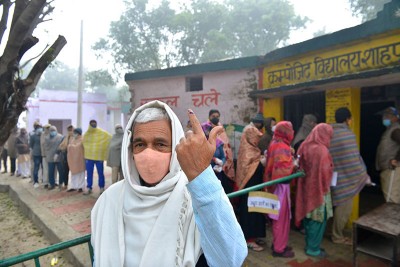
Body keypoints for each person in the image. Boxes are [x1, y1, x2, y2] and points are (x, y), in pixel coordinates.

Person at [90, 101, 247, 266]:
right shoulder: (110, 199)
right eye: (140, 144)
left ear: (175, 148)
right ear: (130, 150)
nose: (148, 153)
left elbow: (231, 259)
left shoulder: (198, 196)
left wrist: (201, 175)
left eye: (160, 144)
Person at [330, 107, 371, 245]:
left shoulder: (329, 133)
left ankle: (334, 232)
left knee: (335, 205)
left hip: (332, 175)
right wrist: (362, 174)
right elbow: (353, 158)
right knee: (344, 207)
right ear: (348, 119)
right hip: (346, 178)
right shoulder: (348, 135)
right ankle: (337, 236)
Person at [295, 123, 334, 258]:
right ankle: (313, 248)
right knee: (318, 218)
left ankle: (310, 244)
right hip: (319, 189)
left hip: (306, 188)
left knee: (309, 216)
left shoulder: (304, 145)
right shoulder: (322, 150)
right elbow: (325, 172)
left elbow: (298, 165)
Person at [264, 121, 296, 258]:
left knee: (277, 217)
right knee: (280, 218)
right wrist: (294, 164)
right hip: (280, 186)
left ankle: (278, 243)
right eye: (290, 130)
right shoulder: (281, 146)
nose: (292, 132)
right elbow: (282, 169)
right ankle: (279, 249)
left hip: (274, 185)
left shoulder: (275, 142)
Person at [235, 112, 266, 252]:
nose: (257, 140)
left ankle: (255, 235)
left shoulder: (252, 149)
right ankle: (249, 239)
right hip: (250, 189)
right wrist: (262, 162)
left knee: (256, 210)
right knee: (250, 212)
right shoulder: (248, 150)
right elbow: (252, 169)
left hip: (254, 188)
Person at [201, 109, 235, 194]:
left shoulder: (220, 135)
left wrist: (221, 163)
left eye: (217, 117)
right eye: (213, 116)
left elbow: (223, 154)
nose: (215, 118)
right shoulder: (202, 141)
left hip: (219, 171)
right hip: (205, 173)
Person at [376, 106, 400, 203]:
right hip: (388, 169)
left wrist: (397, 159)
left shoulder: (395, 130)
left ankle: (393, 218)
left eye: (387, 116)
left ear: (395, 117)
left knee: (392, 199)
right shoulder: (390, 129)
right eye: (384, 116)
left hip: (392, 169)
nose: (384, 118)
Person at [82, 119, 111, 195]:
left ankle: (101, 188)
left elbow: (109, 137)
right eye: (92, 123)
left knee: (100, 173)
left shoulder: (101, 132)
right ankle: (89, 187)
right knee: (89, 173)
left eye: (94, 123)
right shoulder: (86, 134)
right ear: (89, 124)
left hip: (99, 157)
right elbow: (83, 143)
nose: (93, 124)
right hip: (89, 157)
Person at [44, 126, 63, 190]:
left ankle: (60, 183)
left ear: (56, 130)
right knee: (51, 172)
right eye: (51, 131)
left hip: (59, 156)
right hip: (50, 157)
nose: (52, 132)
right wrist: (47, 155)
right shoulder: (46, 138)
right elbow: (46, 148)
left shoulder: (60, 137)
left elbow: (62, 146)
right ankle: (52, 184)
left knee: (60, 171)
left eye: (54, 130)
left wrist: (58, 153)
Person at [67, 128, 85, 192]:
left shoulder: (82, 139)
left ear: (79, 133)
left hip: (80, 159)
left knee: (81, 174)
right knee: (73, 173)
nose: (74, 134)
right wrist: (71, 146)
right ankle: (73, 186)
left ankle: (81, 187)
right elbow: (70, 146)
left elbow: (77, 147)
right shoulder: (73, 139)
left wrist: (71, 146)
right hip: (73, 160)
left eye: (75, 133)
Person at [58, 125, 74, 189]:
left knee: (73, 171)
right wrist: (63, 148)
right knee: (65, 171)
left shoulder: (75, 137)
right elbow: (61, 146)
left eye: (71, 130)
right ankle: (66, 184)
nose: (70, 131)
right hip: (65, 156)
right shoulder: (66, 137)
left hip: (73, 156)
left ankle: (74, 185)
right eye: (69, 130)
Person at [29, 124, 43, 188]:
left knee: (44, 168)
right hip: (36, 154)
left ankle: (43, 180)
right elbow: (31, 145)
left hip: (43, 154)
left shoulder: (44, 135)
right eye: (38, 128)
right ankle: (36, 181)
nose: (40, 129)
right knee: (36, 168)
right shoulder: (33, 136)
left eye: (41, 127)